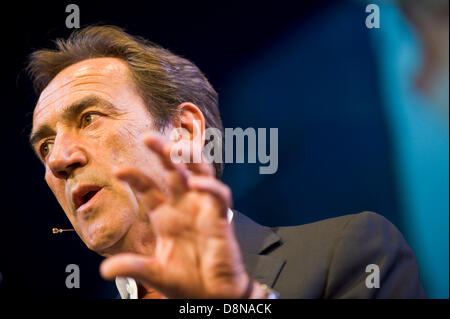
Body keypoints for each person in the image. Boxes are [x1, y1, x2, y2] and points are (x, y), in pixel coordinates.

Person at [27, 25, 426, 299]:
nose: (59, 159)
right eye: (44, 146)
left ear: (183, 131)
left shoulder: (351, 253)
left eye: (89, 119)